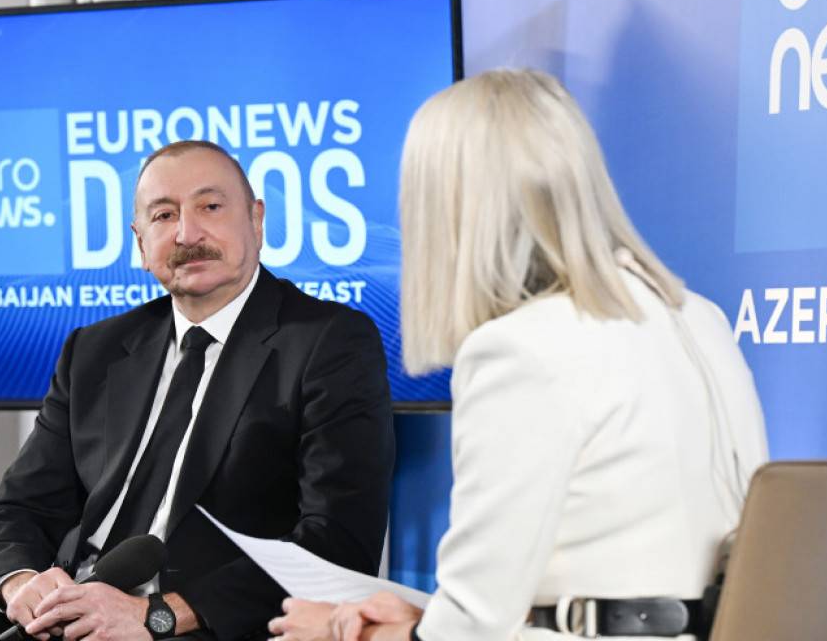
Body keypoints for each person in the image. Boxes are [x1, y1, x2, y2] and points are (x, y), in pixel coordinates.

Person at [270, 69, 768, 641]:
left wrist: (347, 632)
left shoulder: (520, 350)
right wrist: (428, 622)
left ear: (445, 209)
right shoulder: (698, 316)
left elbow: (473, 628)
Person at [0, 140, 394, 641]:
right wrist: (19, 584)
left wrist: (155, 615)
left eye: (210, 207)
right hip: (68, 620)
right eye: (163, 215)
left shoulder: (328, 341)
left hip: (202, 626)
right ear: (140, 243)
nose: (187, 234)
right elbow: (19, 508)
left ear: (256, 218)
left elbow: (339, 542)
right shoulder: (96, 349)